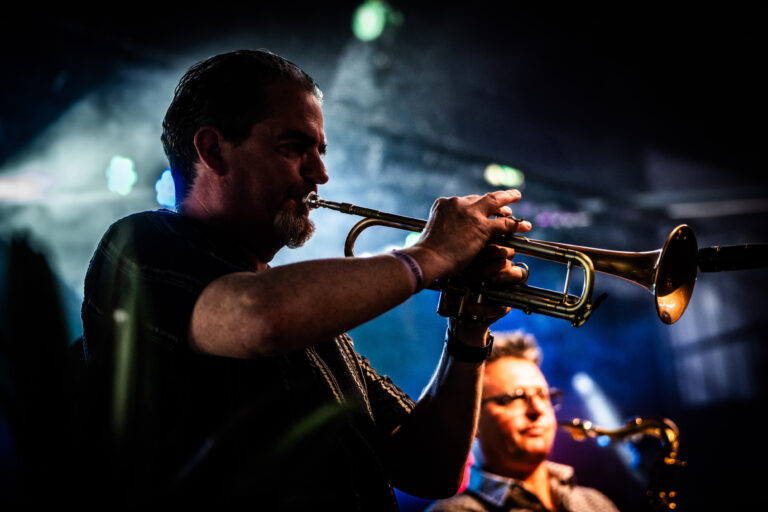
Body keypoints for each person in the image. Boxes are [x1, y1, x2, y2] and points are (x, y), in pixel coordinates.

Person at [77, 49, 533, 508]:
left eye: (320, 150)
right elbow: (260, 318)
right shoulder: (141, 242)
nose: (320, 173)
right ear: (213, 150)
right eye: (294, 147)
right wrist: (430, 254)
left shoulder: (315, 324)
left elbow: (432, 470)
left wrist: (467, 332)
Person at [426, 330, 620, 512]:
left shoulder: (595, 502)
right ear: (472, 419)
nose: (537, 410)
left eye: (542, 395)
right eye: (514, 398)